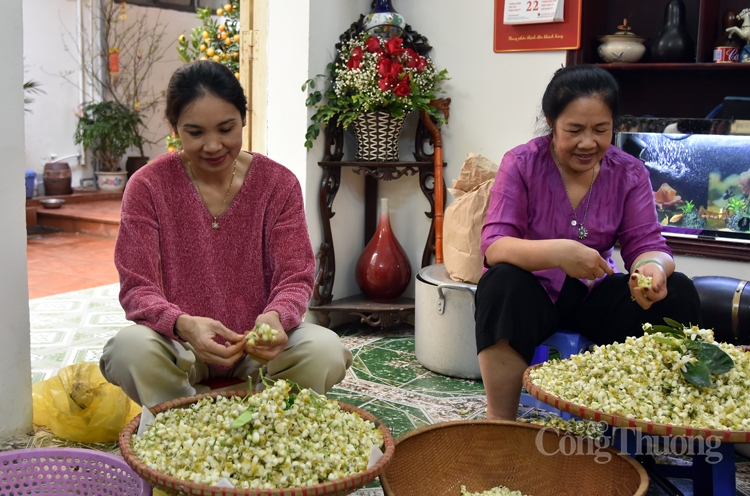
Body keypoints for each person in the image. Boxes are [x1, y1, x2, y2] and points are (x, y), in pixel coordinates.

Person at [100, 60, 353, 408]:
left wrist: (276, 317)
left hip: (259, 351)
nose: (213, 145)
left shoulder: (277, 184)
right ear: (175, 128)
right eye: (195, 133)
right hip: (182, 346)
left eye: (226, 128)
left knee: (324, 350)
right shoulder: (147, 186)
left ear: (244, 119)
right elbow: (137, 288)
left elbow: (296, 276)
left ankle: (261, 418)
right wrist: (183, 325)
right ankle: (188, 421)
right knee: (128, 350)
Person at [475, 65, 701, 421]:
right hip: (533, 298)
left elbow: (647, 242)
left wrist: (652, 268)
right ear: (551, 122)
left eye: (601, 130)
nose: (588, 143)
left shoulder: (628, 172)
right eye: (574, 130)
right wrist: (558, 253)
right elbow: (495, 246)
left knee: (679, 290)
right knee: (501, 282)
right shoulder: (521, 163)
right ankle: (500, 422)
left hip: (593, 298)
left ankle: (647, 418)